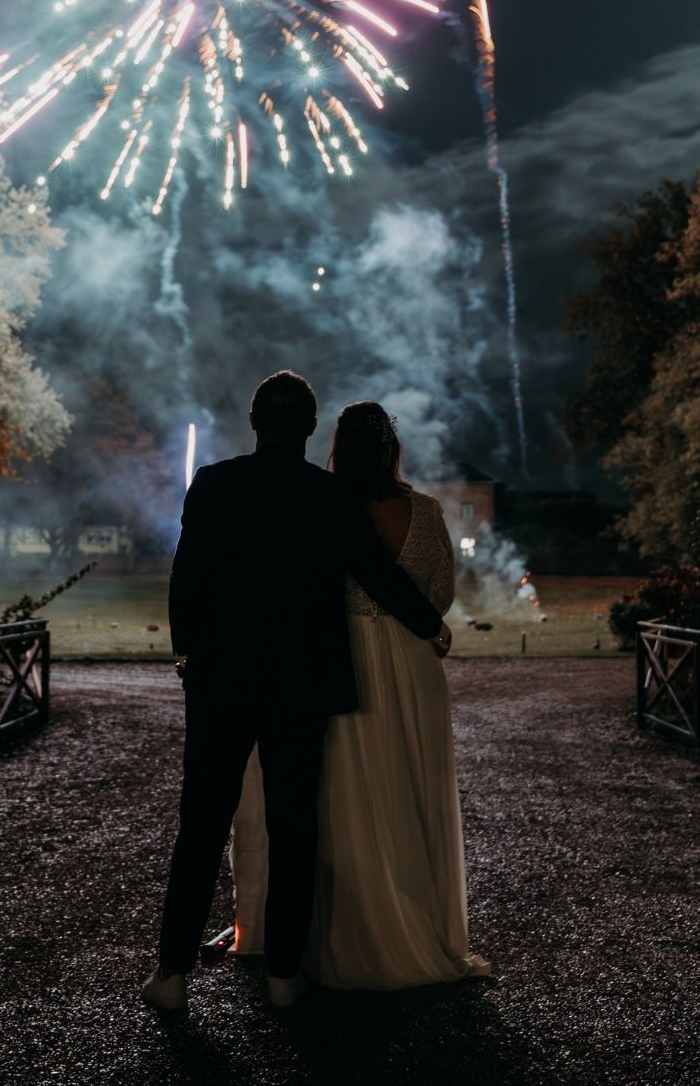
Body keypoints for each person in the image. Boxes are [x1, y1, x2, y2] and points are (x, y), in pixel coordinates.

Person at [142, 372, 452, 1012]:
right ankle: (285, 973)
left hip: (222, 680)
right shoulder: (329, 495)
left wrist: (187, 652)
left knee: (201, 826)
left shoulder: (213, 483)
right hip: (300, 683)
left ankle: (171, 974)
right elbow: (377, 573)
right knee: (294, 824)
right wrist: (431, 626)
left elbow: (186, 576)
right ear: (311, 428)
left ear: (254, 421)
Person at [233, 401, 491, 990]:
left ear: (338, 449)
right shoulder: (425, 511)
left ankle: (344, 933)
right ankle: (423, 928)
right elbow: (440, 593)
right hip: (412, 659)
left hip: (341, 656)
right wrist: (420, 624)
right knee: (414, 788)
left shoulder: (324, 504)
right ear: (391, 449)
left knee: (343, 795)